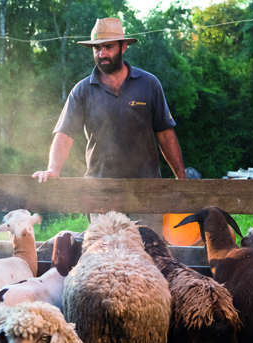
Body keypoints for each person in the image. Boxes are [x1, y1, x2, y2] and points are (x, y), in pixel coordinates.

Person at [32, 17, 187, 234]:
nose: (101, 54)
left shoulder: (148, 84)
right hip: (99, 191)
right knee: (105, 258)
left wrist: (182, 179)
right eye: (96, 48)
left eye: (108, 47)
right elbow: (65, 134)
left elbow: (165, 133)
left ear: (123, 46)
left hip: (146, 191)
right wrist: (53, 170)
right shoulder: (82, 90)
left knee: (148, 256)